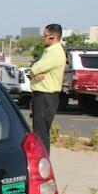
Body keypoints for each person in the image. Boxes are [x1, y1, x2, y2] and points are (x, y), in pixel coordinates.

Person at [29, 24, 66, 153]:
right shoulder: (50, 51)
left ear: (53, 36)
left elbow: (33, 69)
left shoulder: (54, 52)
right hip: (43, 96)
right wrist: (34, 71)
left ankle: (42, 163)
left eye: (45, 35)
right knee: (40, 132)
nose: (43, 38)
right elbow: (34, 67)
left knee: (41, 134)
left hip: (46, 97)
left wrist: (34, 71)